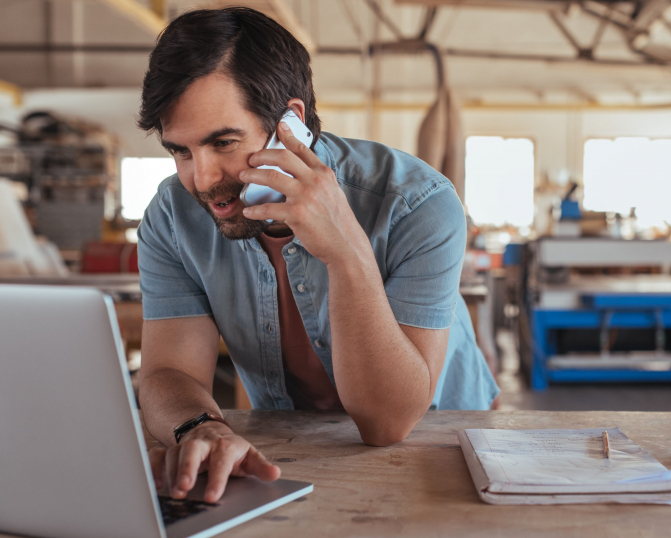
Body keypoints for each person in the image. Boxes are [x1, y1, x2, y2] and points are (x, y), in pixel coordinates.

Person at [136, 7, 499, 504]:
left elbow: (388, 424)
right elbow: (167, 373)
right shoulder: (172, 216)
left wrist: (346, 252)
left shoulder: (419, 204)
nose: (201, 179)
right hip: (288, 449)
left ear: (291, 123)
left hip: (444, 443)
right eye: (180, 151)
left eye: (224, 142)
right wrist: (199, 427)